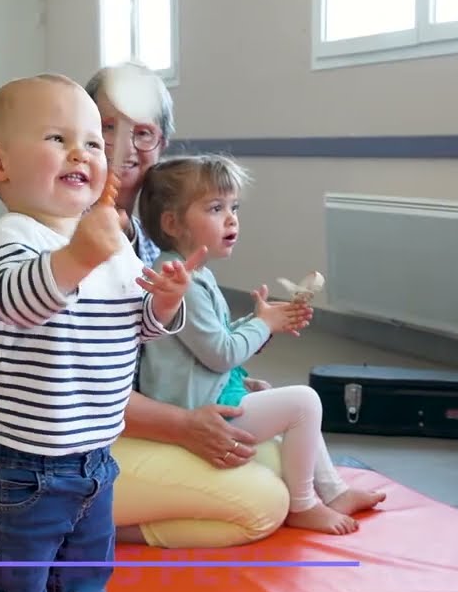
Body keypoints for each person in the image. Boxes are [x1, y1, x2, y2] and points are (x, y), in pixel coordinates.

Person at [0, 72, 195, 592]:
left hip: (97, 460)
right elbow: (20, 303)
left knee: (85, 590)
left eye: (93, 143)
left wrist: (164, 303)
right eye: (56, 138)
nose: (83, 153)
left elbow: (136, 326)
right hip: (22, 469)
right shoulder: (12, 237)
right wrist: (78, 255)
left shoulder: (114, 242)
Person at [83, 63, 294, 548]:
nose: (122, 145)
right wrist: (183, 427)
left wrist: (222, 382)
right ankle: (82, 529)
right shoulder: (82, 237)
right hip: (86, 443)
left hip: (132, 426)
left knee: (275, 459)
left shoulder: (153, 244)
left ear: (160, 146)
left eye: (142, 131)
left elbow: (160, 352)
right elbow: (82, 390)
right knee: (266, 502)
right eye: (105, 127)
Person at [134, 153, 386, 534]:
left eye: (233, 207)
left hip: (208, 396)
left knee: (280, 400)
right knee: (304, 402)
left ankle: (332, 490)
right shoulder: (180, 281)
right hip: (197, 413)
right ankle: (303, 504)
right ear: (172, 223)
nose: (232, 218)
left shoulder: (194, 276)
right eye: (215, 208)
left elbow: (208, 343)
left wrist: (259, 322)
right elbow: (221, 354)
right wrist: (263, 325)